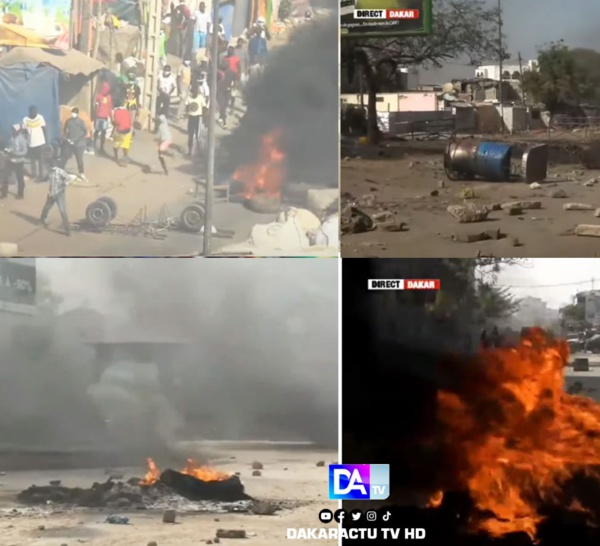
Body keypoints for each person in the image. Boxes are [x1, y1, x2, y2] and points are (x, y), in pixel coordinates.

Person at [40, 161, 71, 236]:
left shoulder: (60, 171)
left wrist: (64, 184)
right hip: (51, 193)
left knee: (63, 211)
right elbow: (46, 178)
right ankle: (42, 218)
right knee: (47, 207)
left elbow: (68, 178)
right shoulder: (49, 171)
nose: (52, 168)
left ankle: (67, 230)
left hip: (59, 194)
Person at [1, 124, 28, 199]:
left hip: (19, 162)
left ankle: (20, 194)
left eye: (15, 130)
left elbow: (25, 151)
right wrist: (7, 150)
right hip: (10, 161)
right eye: (12, 129)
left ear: (18, 131)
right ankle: (4, 193)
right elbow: (10, 146)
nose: (13, 131)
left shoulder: (22, 140)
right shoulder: (11, 138)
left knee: (20, 178)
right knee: (5, 176)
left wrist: (15, 153)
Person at [60, 107, 88, 180]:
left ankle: (81, 173)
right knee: (65, 157)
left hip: (79, 144)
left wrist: (77, 140)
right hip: (69, 143)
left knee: (79, 159)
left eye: (75, 113)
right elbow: (64, 130)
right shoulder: (68, 121)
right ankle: (61, 171)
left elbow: (85, 132)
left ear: (77, 114)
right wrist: (67, 138)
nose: (73, 114)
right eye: (72, 112)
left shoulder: (81, 122)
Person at [22, 105, 47, 181]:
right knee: (32, 160)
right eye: (33, 111)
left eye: (35, 111)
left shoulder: (40, 118)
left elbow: (44, 129)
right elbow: (24, 131)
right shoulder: (25, 120)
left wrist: (46, 141)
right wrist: (25, 141)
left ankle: (41, 175)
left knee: (41, 160)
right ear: (30, 112)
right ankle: (34, 175)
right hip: (31, 143)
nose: (34, 113)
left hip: (40, 142)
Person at [111, 101, 133, 166]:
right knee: (126, 144)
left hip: (119, 131)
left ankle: (116, 157)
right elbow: (130, 122)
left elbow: (115, 122)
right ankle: (125, 156)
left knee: (116, 143)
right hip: (127, 130)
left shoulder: (115, 112)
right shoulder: (127, 111)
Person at [185, 85, 205, 155]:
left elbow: (204, 108)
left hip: (198, 118)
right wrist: (187, 113)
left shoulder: (201, 98)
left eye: (196, 92)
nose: (195, 93)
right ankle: (190, 151)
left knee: (198, 136)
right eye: (193, 92)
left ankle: (200, 152)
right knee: (190, 135)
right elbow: (187, 107)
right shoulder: (189, 98)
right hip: (191, 118)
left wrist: (204, 118)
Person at [94, 82, 113, 153]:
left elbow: (96, 107)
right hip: (104, 117)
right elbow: (110, 108)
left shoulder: (98, 96)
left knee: (97, 131)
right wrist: (111, 118)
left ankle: (95, 145)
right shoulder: (109, 97)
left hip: (99, 117)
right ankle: (101, 147)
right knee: (103, 133)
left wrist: (95, 114)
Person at [216, 61, 235, 129]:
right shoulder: (218, 72)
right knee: (222, 105)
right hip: (220, 90)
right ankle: (223, 120)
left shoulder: (231, 72)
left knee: (225, 106)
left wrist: (232, 88)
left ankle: (223, 118)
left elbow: (234, 81)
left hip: (227, 91)